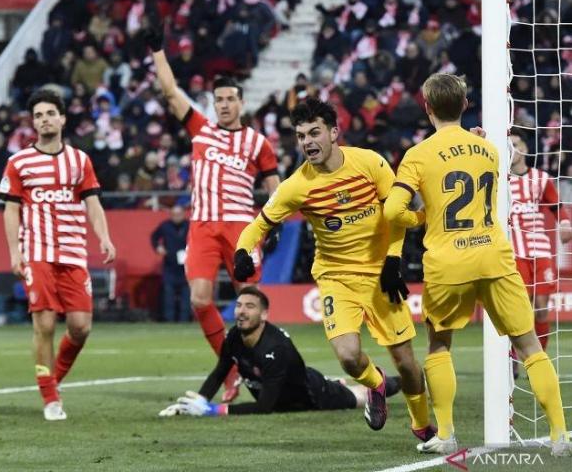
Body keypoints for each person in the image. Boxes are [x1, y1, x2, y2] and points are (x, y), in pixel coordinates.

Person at [384, 73, 570, 456]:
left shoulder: (418, 155)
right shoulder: (488, 150)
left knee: (439, 345)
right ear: (465, 106)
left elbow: (392, 210)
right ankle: (559, 435)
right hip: (494, 255)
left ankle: (448, 433)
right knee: (529, 344)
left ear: (427, 108)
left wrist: (420, 220)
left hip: (448, 261)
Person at [233, 97, 434, 441]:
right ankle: (377, 383)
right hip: (336, 277)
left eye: (314, 132)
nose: (308, 142)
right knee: (348, 357)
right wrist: (241, 250)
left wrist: (393, 259)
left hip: (380, 274)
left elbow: (397, 215)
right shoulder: (297, 186)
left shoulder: (370, 163)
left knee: (407, 363)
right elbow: (259, 224)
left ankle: (421, 426)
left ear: (334, 132)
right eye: (300, 136)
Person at [145, 24, 280, 402]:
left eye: (230, 99)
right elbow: (171, 92)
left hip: (242, 228)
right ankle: (233, 372)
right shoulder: (200, 129)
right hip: (202, 226)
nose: (223, 104)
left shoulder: (258, 142)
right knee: (200, 300)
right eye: (218, 99)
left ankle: (264, 371)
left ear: (241, 102)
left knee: (249, 303)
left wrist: (277, 220)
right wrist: (158, 50)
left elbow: (274, 184)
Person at [0, 89, 116, 421]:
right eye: (38, 115)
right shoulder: (18, 162)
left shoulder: (80, 161)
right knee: (45, 323)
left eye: (50, 113)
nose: (44, 120)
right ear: (32, 122)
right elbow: (10, 211)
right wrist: (14, 253)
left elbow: (93, 202)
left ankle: (53, 380)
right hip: (37, 251)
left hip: (74, 253)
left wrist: (104, 237)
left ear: (62, 118)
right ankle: (50, 398)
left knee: (80, 327)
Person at [158, 286, 402, 416]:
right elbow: (221, 370)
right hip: (289, 386)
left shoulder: (275, 349)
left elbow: (265, 407)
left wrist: (213, 411)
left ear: (264, 315)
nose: (241, 311)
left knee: (362, 396)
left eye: (250, 307)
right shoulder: (234, 336)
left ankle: (407, 380)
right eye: (239, 305)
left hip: (312, 397)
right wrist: (197, 402)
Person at [508, 132, 572, 355]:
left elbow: (557, 205)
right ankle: (515, 357)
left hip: (540, 250)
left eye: (515, 144)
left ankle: (539, 358)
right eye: (508, 145)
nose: (511, 149)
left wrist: (564, 223)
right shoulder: (501, 180)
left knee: (542, 308)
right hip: (514, 253)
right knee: (520, 309)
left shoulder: (541, 178)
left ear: (524, 148)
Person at [151, 205, 190, 322]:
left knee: (186, 294)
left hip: (186, 265)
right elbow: (154, 237)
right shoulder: (165, 226)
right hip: (170, 265)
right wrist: (158, 247)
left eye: (179, 214)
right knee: (168, 294)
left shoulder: (190, 226)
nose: (176, 217)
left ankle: (184, 320)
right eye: (174, 215)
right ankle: (169, 320)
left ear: (184, 214)